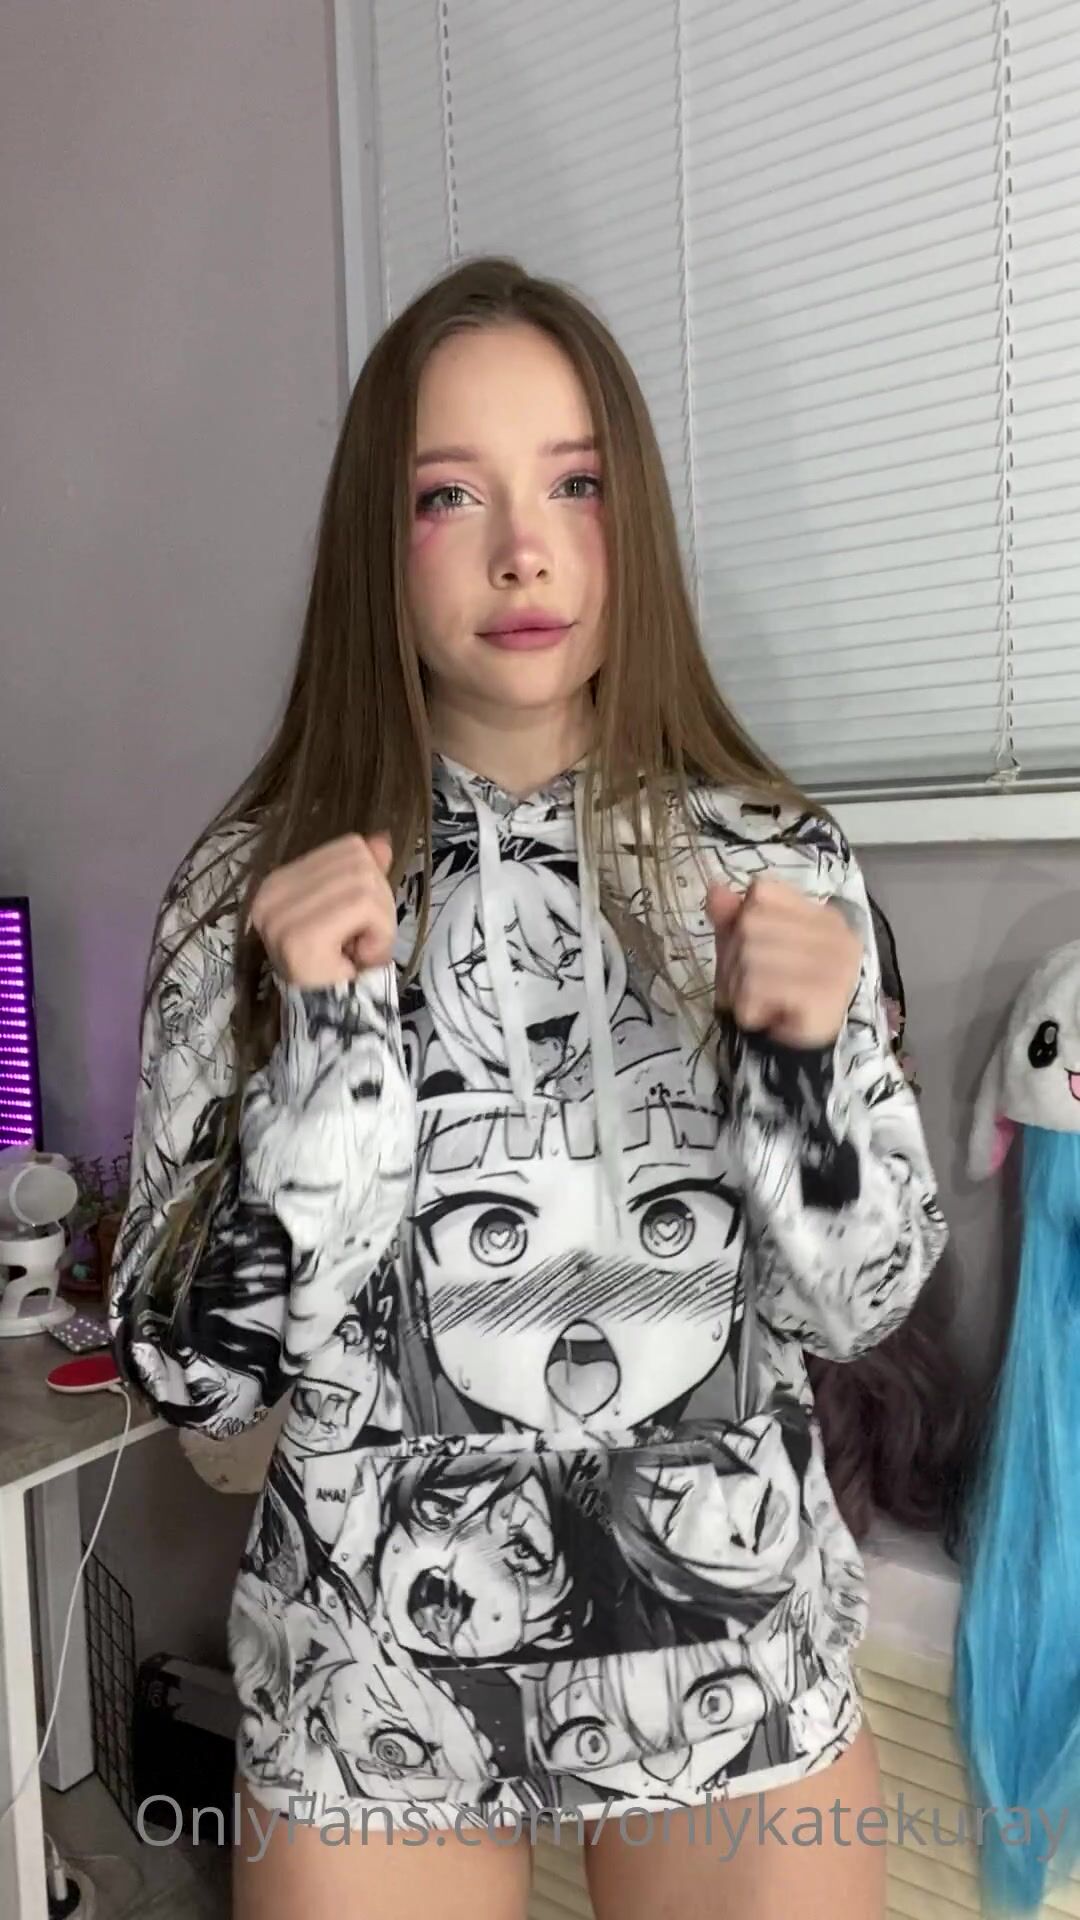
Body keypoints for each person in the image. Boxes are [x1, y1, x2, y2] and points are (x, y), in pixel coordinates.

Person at [109, 256, 949, 1920]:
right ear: (379, 537)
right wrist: (327, 1072)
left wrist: (798, 1080)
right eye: (449, 496)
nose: (524, 548)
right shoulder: (252, 894)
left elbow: (859, 1306)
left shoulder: (777, 863)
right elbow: (193, 1384)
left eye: (576, 483)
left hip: (733, 1657)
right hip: (372, 1678)